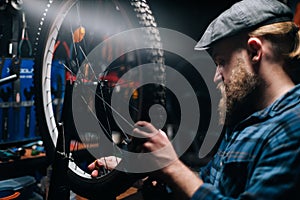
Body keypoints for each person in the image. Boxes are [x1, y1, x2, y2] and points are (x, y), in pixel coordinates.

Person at [88, 0, 300, 199]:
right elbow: (208, 185)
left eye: (222, 61)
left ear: (254, 51)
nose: (217, 76)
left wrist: (172, 166)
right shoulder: (244, 121)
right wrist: (147, 171)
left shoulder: (292, 129)